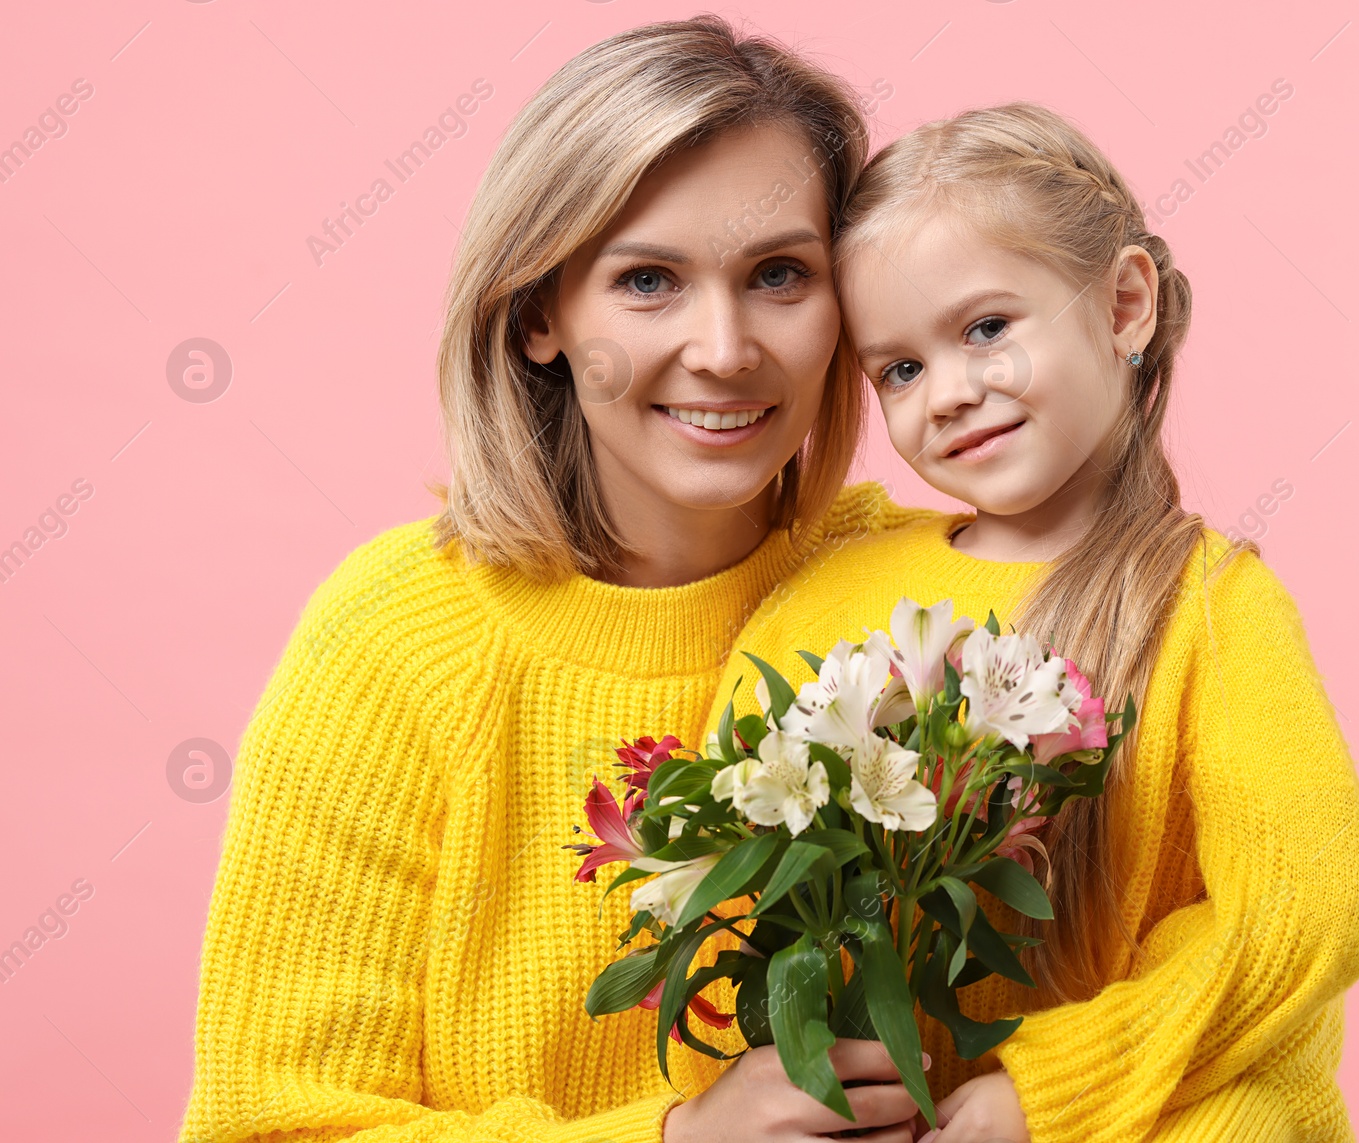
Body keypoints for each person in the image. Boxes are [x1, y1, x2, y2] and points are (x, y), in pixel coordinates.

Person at [176, 17, 935, 1143]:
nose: (724, 348)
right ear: (540, 314)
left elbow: (1244, 1026)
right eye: (647, 281)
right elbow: (268, 1128)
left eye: (779, 274)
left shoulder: (942, 601)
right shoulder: (397, 640)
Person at [695, 102, 1359, 1142]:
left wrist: (1046, 1092)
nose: (950, 393)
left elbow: (1312, 913)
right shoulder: (831, 583)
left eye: (986, 329)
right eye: (899, 369)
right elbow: (731, 855)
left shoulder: (1209, 606)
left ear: (1121, 305)